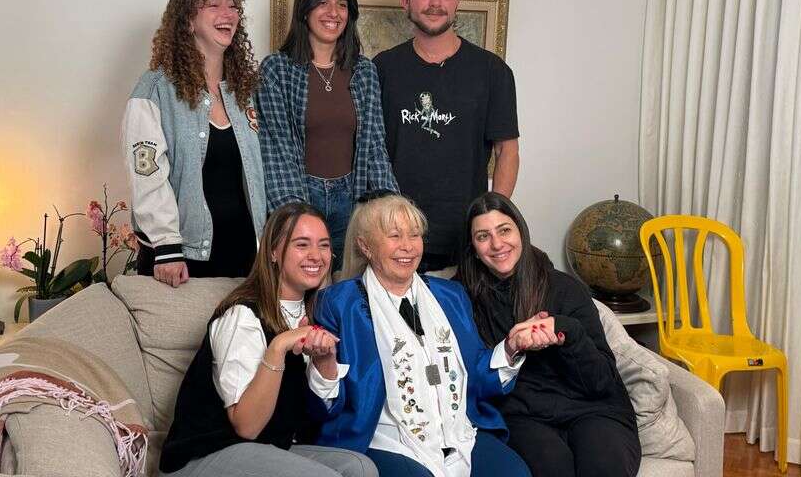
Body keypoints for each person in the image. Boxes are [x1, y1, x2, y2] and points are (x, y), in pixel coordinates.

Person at [308, 194, 534, 477]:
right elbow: (325, 408)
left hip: (459, 434)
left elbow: (477, 375)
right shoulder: (339, 303)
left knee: (516, 473)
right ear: (365, 246)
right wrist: (325, 364)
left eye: (414, 235)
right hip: (385, 440)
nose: (408, 246)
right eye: (394, 236)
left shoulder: (451, 296)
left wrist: (510, 348)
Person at [159, 202, 377, 477]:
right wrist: (278, 347)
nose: (316, 256)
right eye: (302, 245)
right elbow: (247, 426)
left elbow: (315, 417)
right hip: (206, 455)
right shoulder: (242, 316)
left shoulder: (315, 313)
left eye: (323, 245)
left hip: (271, 447)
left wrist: (325, 363)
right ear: (273, 251)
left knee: (361, 468)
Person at [456, 192, 641, 477]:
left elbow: (602, 381)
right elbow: (470, 379)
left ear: (521, 231)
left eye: (504, 230)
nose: (497, 244)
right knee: (552, 468)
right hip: (523, 416)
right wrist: (511, 347)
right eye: (483, 236)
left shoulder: (565, 289)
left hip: (592, 408)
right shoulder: (460, 299)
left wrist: (566, 331)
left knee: (604, 468)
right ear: (473, 246)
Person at [373, 0, 519, 271]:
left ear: (457, 2)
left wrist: (493, 221)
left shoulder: (492, 71)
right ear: (405, 1)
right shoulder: (382, 68)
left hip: (465, 237)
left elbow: (507, 150)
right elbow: (369, 150)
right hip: (396, 234)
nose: (435, 2)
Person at [122, 0, 266, 286]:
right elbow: (147, 174)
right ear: (188, 20)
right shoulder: (155, 90)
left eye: (232, 6)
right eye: (213, 5)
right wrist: (166, 247)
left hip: (245, 255)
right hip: (181, 259)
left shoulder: (244, 92)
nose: (228, 14)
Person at [258, 0, 398, 269]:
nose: (333, 12)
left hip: (352, 199)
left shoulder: (364, 71)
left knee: (350, 285)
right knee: (305, 282)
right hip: (299, 195)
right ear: (305, 9)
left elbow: (375, 147)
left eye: (342, 4)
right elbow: (277, 152)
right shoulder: (276, 70)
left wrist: (390, 208)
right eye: (323, 2)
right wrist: (297, 220)